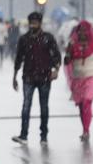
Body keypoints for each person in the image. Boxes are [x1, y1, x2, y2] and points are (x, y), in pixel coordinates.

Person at [11, 12, 61, 144]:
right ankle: (24, 135)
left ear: (40, 23)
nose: (33, 24)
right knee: (26, 105)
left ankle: (43, 136)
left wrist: (56, 69)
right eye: (31, 22)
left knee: (44, 106)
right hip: (28, 77)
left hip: (44, 76)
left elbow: (56, 55)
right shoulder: (24, 39)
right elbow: (18, 58)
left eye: (35, 22)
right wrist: (14, 76)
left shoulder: (48, 38)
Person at [64, 20, 93, 142]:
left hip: (92, 76)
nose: (82, 33)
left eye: (85, 30)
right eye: (80, 30)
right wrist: (68, 52)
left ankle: (86, 131)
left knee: (87, 101)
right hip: (78, 79)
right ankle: (84, 129)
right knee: (82, 106)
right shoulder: (72, 44)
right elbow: (67, 61)